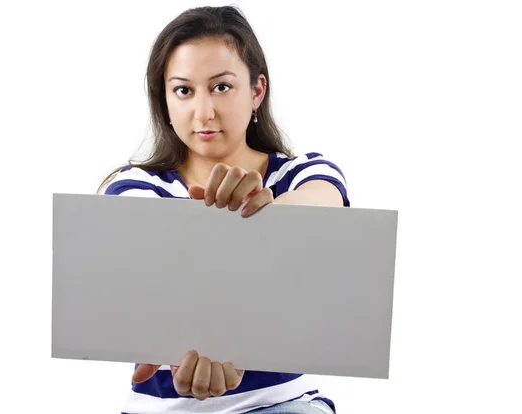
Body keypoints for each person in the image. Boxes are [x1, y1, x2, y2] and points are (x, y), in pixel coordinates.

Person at [98, 5, 350, 414]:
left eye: (221, 87)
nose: (203, 112)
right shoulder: (135, 187)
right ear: (164, 99)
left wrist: (262, 209)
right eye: (183, 90)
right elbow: (141, 272)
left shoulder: (301, 173)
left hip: (281, 404)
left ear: (256, 90)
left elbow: (324, 202)